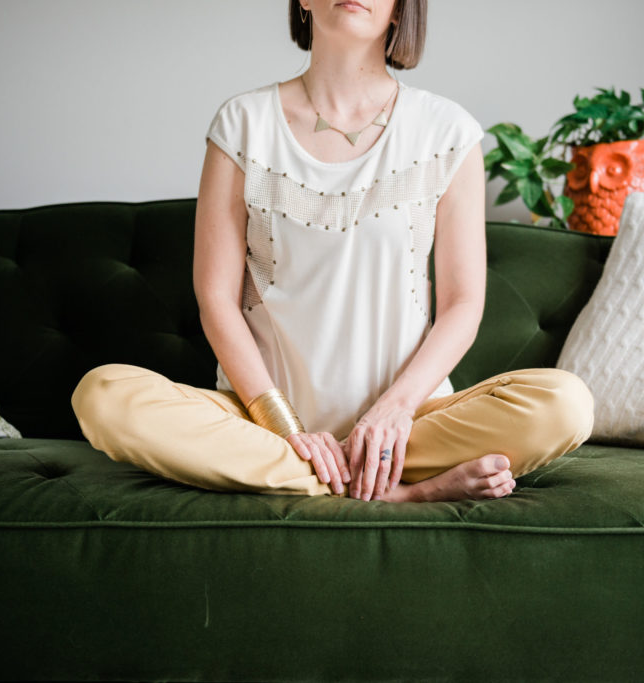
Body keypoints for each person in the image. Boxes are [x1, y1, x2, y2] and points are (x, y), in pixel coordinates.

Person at [72, 0, 594, 502]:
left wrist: (393, 412)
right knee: (103, 396)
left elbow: (462, 306)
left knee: (564, 405)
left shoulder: (448, 132)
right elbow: (216, 300)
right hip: (263, 427)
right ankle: (401, 494)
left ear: (400, 6)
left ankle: (328, 476)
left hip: (407, 430)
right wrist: (286, 428)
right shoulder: (241, 124)